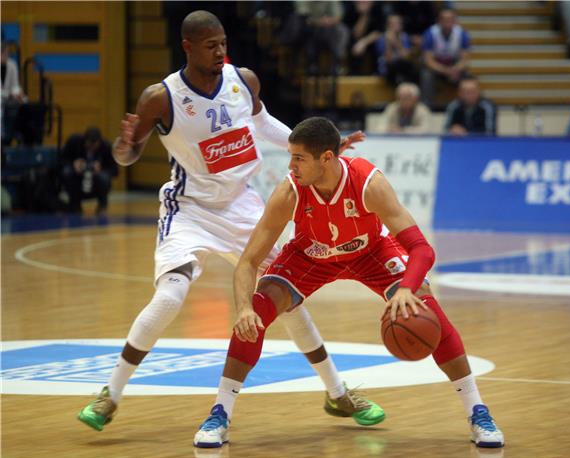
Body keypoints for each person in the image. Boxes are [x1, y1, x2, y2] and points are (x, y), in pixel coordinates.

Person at [77, 10, 384, 435]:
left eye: (223, 42)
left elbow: (264, 125)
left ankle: (338, 394)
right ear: (187, 47)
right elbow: (127, 156)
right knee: (170, 297)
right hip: (190, 208)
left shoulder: (244, 80)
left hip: (242, 205)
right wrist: (124, 146)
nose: (221, 51)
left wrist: (322, 142)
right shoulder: (160, 97)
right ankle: (109, 396)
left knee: (287, 295)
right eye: (210, 45)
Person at [194, 117, 505, 450]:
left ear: (326, 158)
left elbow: (422, 249)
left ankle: (478, 411)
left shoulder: (368, 183)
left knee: (427, 309)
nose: (291, 165)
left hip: (370, 253)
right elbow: (248, 263)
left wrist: (406, 288)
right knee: (256, 313)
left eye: (298, 158)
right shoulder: (289, 192)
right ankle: (219, 413)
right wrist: (243, 308)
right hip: (309, 255)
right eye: (291, 156)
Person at [420, 8, 470, 109]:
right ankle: (427, 106)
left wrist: (456, 68)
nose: (448, 22)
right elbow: (428, 60)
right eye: (445, 19)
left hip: (453, 65)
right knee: (426, 75)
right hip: (436, 66)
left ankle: (465, 106)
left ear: (455, 20)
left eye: (451, 19)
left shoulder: (462, 33)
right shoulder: (430, 33)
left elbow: (465, 59)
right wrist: (445, 70)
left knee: (468, 78)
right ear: (439, 21)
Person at [61, 127, 118, 214]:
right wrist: (74, 163)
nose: (91, 147)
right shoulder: (74, 142)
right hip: (77, 176)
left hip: (96, 179)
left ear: (100, 141)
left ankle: (102, 205)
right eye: (89, 144)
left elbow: (115, 170)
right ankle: (75, 204)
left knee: (104, 177)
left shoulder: (107, 147)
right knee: (67, 172)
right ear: (84, 140)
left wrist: (101, 168)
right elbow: (62, 160)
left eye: (94, 144)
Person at [1, 41, 25, 146]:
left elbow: (15, 85)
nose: (6, 56)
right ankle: (4, 137)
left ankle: (19, 134)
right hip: (2, 99)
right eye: (3, 53)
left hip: (9, 99)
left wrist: (18, 93)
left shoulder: (12, 65)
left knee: (23, 101)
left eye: (7, 53)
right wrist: (9, 94)